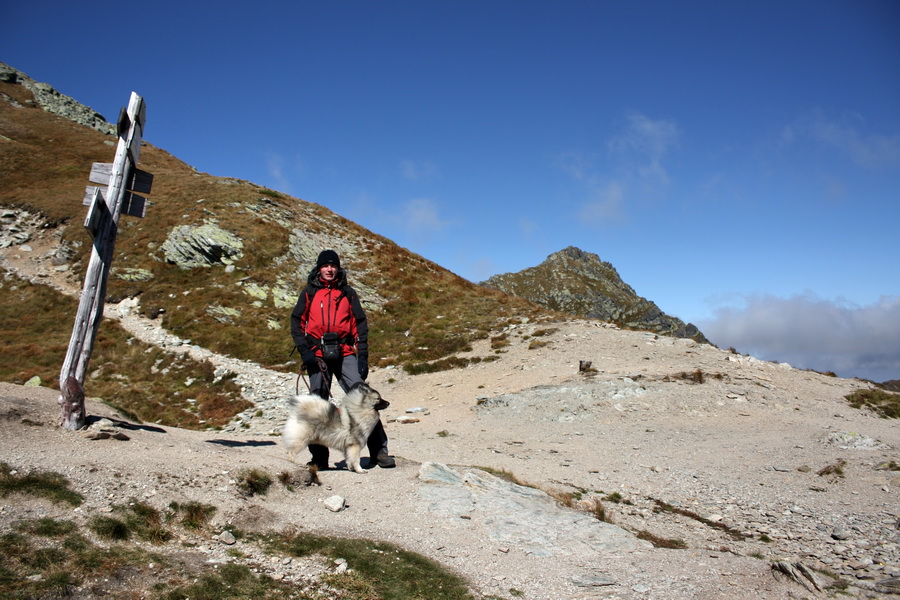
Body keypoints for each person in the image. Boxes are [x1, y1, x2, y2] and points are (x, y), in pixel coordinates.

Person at [290, 249, 394, 469]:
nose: (329, 269)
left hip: (345, 352)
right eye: (325, 266)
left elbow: (360, 325)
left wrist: (362, 356)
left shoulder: (348, 293)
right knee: (317, 404)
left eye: (333, 266)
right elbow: (297, 323)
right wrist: (305, 352)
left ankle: (380, 452)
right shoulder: (309, 292)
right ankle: (319, 458)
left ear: (338, 268)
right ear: (319, 268)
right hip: (317, 354)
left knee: (366, 401)